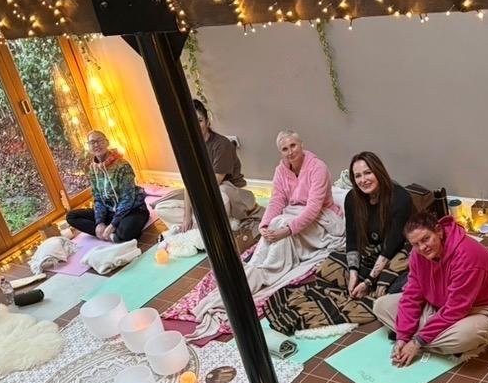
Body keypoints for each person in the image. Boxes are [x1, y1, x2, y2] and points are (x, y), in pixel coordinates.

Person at [165, 131, 344, 338]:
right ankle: (252, 274)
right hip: (290, 217)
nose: (290, 152)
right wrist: (265, 225)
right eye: (285, 149)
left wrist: (285, 231)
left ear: (301, 144)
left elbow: (313, 209)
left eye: (293, 146)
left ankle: (265, 273)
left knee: (280, 230)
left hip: (321, 220)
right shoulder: (281, 171)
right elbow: (276, 200)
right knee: (268, 238)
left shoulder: (317, 168)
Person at [264, 151, 412, 334]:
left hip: (398, 250)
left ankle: (376, 287)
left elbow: (392, 245)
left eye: (368, 173)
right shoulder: (353, 199)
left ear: (378, 172)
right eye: (357, 176)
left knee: (388, 285)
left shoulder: (400, 198)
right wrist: (353, 275)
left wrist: (367, 282)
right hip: (371, 251)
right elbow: (352, 239)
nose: (363, 179)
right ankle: (358, 284)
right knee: (327, 267)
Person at [373, 211, 488, 364]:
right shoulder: (417, 254)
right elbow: (412, 295)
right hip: (437, 306)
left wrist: (417, 342)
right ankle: (430, 338)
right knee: (380, 305)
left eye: (426, 239)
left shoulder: (467, 255)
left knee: (465, 337)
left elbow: (457, 308)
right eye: (415, 244)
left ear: (439, 231)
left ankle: (426, 338)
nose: (422, 247)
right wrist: (402, 338)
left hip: (476, 310)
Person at [154, 100, 261, 232]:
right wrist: (187, 216)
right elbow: (190, 184)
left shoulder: (222, 144)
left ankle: (201, 227)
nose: (196, 126)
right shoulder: (188, 147)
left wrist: (195, 208)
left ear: (207, 122)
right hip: (200, 192)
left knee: (220, 198)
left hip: (225, 192)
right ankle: (201, 225)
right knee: (161, 208)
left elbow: (212, 184)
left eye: (199, 121)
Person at [65, 131, 149, 243]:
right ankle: (106, 233)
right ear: (89, 147)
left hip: (133, 209)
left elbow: (128, 199)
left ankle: (114, 233)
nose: (96, 145)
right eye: (92, 142)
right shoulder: (92, 170)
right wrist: (100, 222)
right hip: (110, 212)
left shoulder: (122, 165)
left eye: (99, 140)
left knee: (125, 232)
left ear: (107, 142)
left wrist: (113, 224)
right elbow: (98, 198)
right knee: (72, 216)